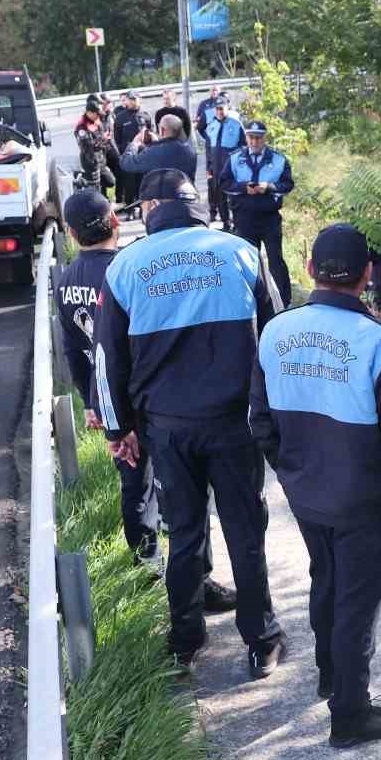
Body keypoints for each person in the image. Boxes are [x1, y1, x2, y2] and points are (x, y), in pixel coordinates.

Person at [249, 223, 381, 748]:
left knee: (326, 581)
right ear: (368, 276)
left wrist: (291, 469)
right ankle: (350, 715)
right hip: (364, 501)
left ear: (309, 269)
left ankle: (331, 676)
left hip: (307, 496)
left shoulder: (276, 331)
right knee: (357, 602)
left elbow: (258, 417)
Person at [93, 168, 285, 672]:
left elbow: (108, 359)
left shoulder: (126, 267)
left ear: (150, 210)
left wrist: (119, 431)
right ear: (196, 203)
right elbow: (276, 337)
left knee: (184, 531)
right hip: (234, 423)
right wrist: (277, 418)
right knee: (246, 530)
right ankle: (261, 640)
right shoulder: (242, 252)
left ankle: (185, 641)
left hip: (168, 428)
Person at [56, 189, 238, 610]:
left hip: (109, 405)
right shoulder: (129, 270)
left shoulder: (66, 281)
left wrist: (94, 405)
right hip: (149, 403)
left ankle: (148, 570)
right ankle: (196, 582)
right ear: (116, 223)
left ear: (70, 232)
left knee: (134, 488)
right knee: (182, 498)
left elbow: (74, 352)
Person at [219, 120, 294, 307]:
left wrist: (268, 187)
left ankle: (284, 300)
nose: (254, 142)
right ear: (246, 138)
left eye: (258, 138)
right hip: (244, 218)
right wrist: (244, 188)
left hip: (269, 219)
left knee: (275, 260)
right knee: (246, 260)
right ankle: (247, 299)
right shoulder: (236, 158)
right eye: (251, 137)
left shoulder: (278, 159)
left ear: (264, 138)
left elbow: (288, 185)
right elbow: (224, 183)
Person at [199, 94, 244, 231]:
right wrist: (208, 167)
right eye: (217, 109)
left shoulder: (236, 124)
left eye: (221, 108)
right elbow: (208, 148)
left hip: (231, 168)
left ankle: (237, 224)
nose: (219, 111)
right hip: (216, 168)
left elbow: (244, 145)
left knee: (234, 198)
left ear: (227, 108)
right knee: (220, 198)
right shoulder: (211, 126)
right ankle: (226, 223)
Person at [122, 113, 196, 183]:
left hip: (160, 194)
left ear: (162, 130)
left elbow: (126, 163)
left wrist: (134, 144)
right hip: (185, 193)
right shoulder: (190, 151)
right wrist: (157, 142)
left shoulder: (153, 152)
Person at [112, 91, 150, 204]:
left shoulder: (145, 115)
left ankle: (142, 207)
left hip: (143, 155)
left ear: (139, 100)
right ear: (127, 101)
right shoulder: (120, 118)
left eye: (135, 99)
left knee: (143, 181)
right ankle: (130, 209)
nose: (133, 101)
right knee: (129, 183)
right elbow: (117, 139)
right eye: (131, 99)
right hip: (129, 156)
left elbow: (150, 134)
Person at [74, 99, 117, 192]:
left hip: (101, 158)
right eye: (96, 114)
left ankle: (85, 181)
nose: (98, 116)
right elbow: (87, 147)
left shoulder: (96, 121)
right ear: (89, 112)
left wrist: (106, 140)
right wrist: (103, 140)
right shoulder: (82, 127)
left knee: (110, 181)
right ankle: (82, 180)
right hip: (91, 161)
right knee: (96, 188)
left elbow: (102, 136)